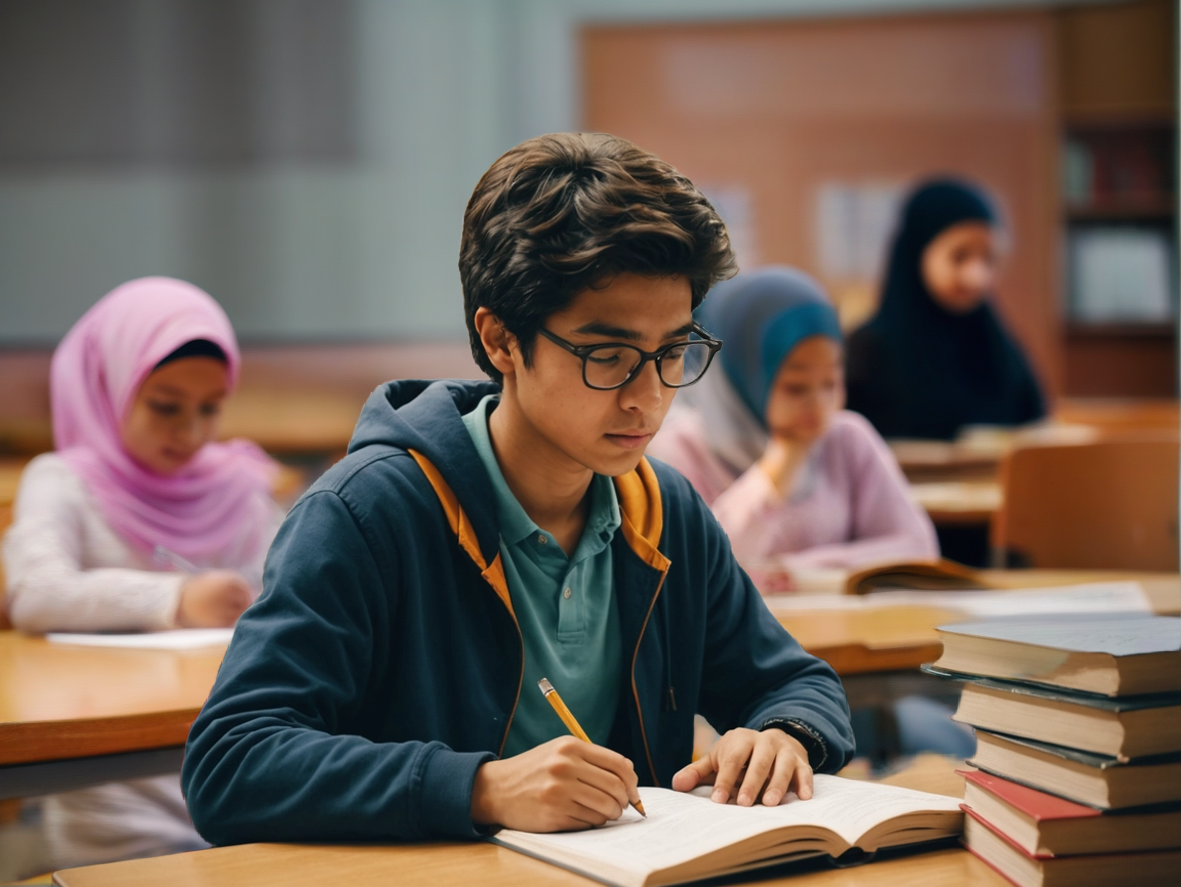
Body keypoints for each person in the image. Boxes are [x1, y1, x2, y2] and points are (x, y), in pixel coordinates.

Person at [181, 133, 854, 845]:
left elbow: (795, 684)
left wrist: (784, 734)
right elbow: (231, 761)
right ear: (501, 340)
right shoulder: (368, 514)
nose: (649, 399)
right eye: (608, 357)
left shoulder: (661, 511)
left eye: (672, 353)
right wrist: (479, 786)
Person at [2, 276, 283, 867]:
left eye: (210, 409)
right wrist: (176, 598)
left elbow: (289, 588)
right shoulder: (64, 481)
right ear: (108, 386)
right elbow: (34, 593)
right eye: (165, 406)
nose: (191, 432)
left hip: (242, 763)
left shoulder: (236, 486)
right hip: (110, 789)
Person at [648, 267, 938, 581]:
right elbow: (703, 568)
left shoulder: (846, 437)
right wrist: (778, 468)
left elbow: (917, 547)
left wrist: (796, 573)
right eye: (796, 387)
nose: (819, 405)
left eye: (830, 383)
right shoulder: (680, 450)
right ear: (746, 375)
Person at [845, 178, 1046, 441]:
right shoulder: (869, 350)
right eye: (959, 256)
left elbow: (1036, 422)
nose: (977, 276)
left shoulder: (999, 345)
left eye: (988, 259)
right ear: (918, 252)